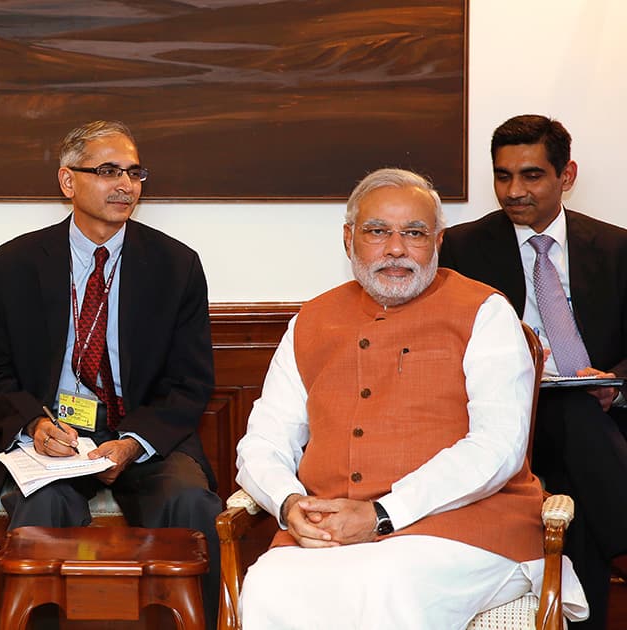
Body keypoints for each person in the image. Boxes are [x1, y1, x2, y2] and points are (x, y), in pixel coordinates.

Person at [236, 168, 587, 629]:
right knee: (268, 584)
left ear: (437, 242)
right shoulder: (311, 321)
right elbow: (263, 441)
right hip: (332, 530)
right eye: (377, 232)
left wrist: (383, 515)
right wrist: (288, 504)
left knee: (385, 584)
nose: (396, 249)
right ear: (349, 240)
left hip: (465, 528)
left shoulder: (485, 312)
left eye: (414, 233)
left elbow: (497, 448)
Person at [0, 120, 221, 624]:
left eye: (134, 172)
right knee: (42, 509)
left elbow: (190, 383)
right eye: (108, 171)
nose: (125, 185)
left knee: (191, 504)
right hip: (53, 437)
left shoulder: (176, 266)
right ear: (68, 182)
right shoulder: (13, 264)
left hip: (142, 436)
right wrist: (35, 426)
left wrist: (132, 443)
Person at [439, 114, 627, 628]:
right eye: (503, 176)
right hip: (509, 420)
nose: (514, 190)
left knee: (577, 487)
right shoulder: (459, 249)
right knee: (578, 427)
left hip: (603, 418)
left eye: (531, 175)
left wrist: (613, 385)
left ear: (566, 176)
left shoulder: (616, 248)